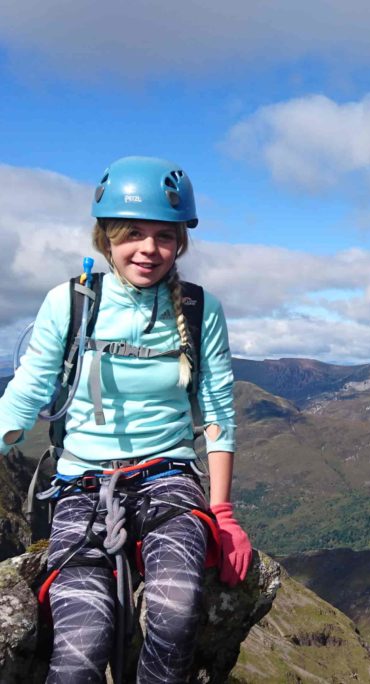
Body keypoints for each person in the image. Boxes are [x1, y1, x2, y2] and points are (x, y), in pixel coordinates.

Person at [0, 156, 252, 683]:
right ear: (106, 237)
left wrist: (222, 513)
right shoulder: (70, 303)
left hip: (169, 479)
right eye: (132, 232)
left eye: (165, 235)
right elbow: (25, 396)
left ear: (180, 242)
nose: (149, 249)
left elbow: (217, 412)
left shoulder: (199, 308)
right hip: (82, 484)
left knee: (177, 610)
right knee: (80, 647)